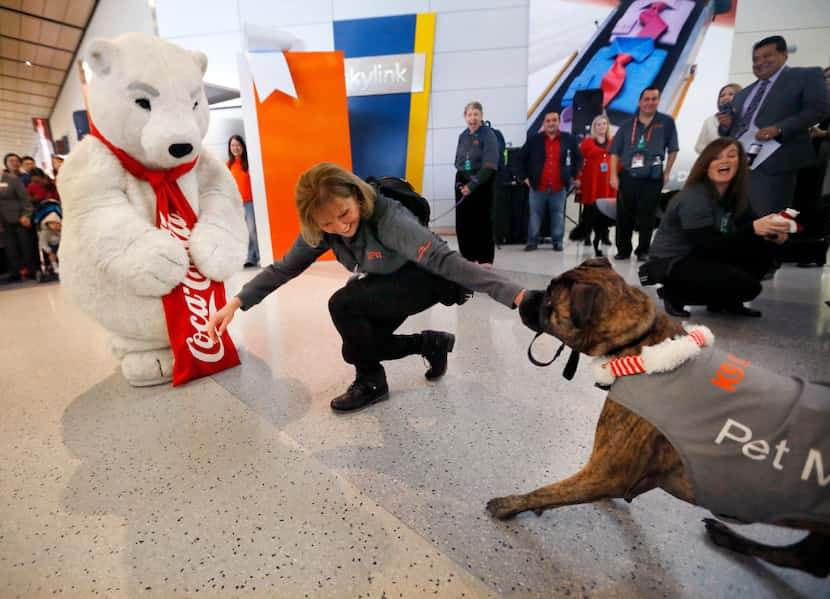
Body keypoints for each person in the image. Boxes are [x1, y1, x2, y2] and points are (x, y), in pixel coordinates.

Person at [207, 162, 526, 412]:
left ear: (356, 195)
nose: (340, 227)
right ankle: (426, 347)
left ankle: (372, 378)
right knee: (361, 345)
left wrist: (515, 294)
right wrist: (236, 303)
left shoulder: (388, 217)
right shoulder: (324, 227)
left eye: (344, 214)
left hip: (424, 278)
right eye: (328, 223)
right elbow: (284, 268)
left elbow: (442, 259)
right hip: (384, 281)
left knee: (344, 304)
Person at [641, 138, 790, 318]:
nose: (724, 161)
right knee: (748, 286)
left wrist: (773, 233)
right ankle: (674, 294)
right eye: (716, 157)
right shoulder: (694, 197)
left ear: (740, 163)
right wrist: (753, 229)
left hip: (705, 256)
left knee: (765, 247)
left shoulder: (736, 196)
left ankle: (726, 300)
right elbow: (705, 246)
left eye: (731, 155)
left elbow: (748, 229)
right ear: (706, 165)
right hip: (673, 262)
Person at [718, 35, 830, 217]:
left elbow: (819, 108)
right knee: (735, 222)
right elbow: (732, 130)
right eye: (755, 59)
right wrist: (726, 126)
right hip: (740, 166)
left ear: (784, 54)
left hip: (776, 164)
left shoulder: (806, 75)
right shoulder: (743, 94)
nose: (760, 62)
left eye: (767, 56)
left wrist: (779, 128)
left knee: (766, 222)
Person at [609, 86, 679, 262]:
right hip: (628, 177)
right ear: (640, 102)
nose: (650, 102)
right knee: (624, 215)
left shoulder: (666, 122)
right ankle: (623, 249)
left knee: (648, 216)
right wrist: (613, 176)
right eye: (646, 99)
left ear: (658, 101)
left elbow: (673, 149)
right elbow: (614, 152)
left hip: (653, 177)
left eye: (654, 99)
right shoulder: (626, 125)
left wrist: (667, 171)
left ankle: (643, 250)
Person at [518, 111, 583, 252]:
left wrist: (573, 175)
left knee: (558, 215)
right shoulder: (534, 140)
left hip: (559, 186)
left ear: (559, 122)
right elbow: (520, 159)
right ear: (544, 123)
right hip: (537, 186)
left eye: (554, 120)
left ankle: (557, 242)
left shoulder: (569, 139)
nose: (551, 123)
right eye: (548, 121)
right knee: (535, 215)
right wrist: (524, 178)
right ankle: (532, 241)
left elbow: (578, 159)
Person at [454, 101, 499, 265]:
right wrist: (462, 185)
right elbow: (458, 162)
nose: (472, 118)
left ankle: (485, 259)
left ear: (481, 116)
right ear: (465, 117)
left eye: (476, 114)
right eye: (469, 115)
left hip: (482, 184)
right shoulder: (463, 136)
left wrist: (471, 185)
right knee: (465, 223)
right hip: (464, 183)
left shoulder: (488, 135)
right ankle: (468, 257)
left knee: (482, 223)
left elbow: (489, 165)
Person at [575, 114, 615, 256]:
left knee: (606, 210)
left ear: (607, 126)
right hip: (591, 181)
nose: (601, 127)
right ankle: (587, 235)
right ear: (594, 127)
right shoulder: (587, 143)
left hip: (607, 183)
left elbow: (618, 160)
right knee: (589, 209)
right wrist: (578, 177)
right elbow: (579, 162)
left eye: (604, 124)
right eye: (598, 124)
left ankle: (604, 235)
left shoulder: (613, 141)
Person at [227, 134, 259, 268]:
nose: (235, 148)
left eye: (238, 145)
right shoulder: (228, 165)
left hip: (250, 202)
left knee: (252, 230)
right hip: (237, 204)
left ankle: (260, 254)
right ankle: (251, 258)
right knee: (245, 232)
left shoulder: (250, 162)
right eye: (233, 145)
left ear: (243, 147)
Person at [0, 164, 36, 281]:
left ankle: (31, 270)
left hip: (19, 219)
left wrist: (26, 215)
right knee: (10, 248)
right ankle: (15, 272)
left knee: (25, 246)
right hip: (3, 222)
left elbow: (25, 199)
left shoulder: (12, 179)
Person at [694, 83, 742, 154]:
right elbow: (699, 146)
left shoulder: (747, 118)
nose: (725, 97)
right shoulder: (710, 121)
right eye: (722, 96)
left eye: (731, 94)